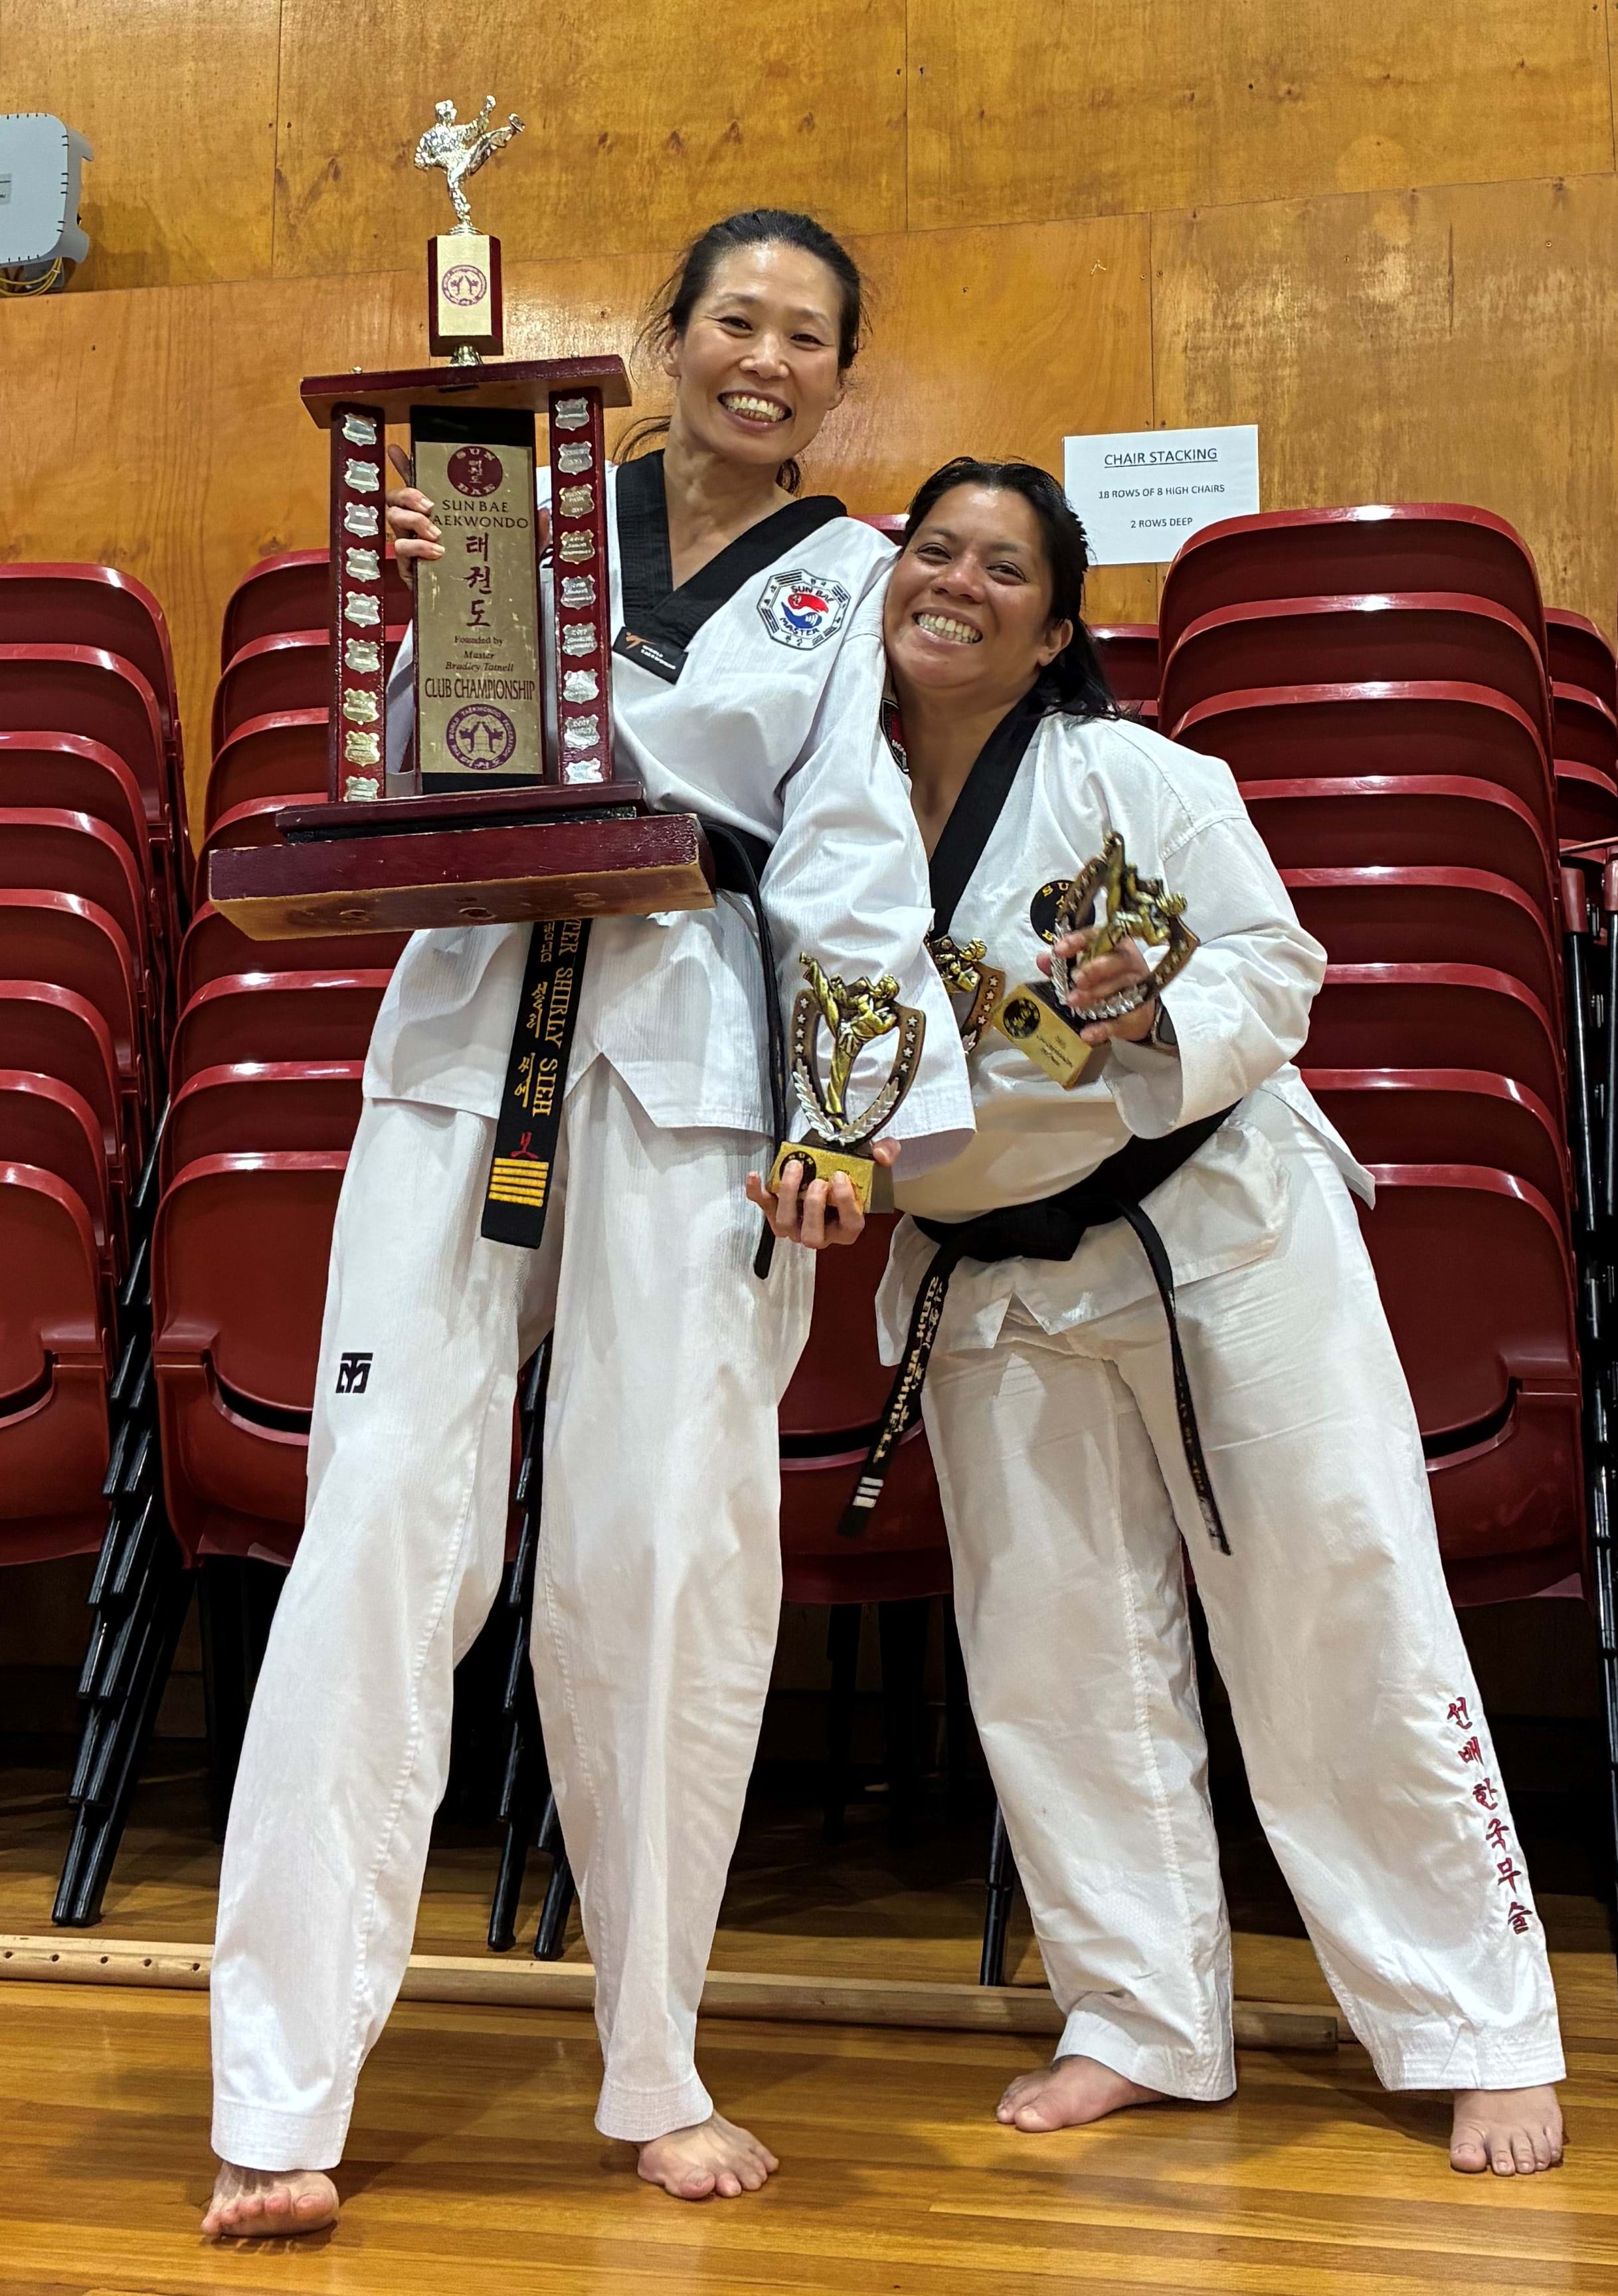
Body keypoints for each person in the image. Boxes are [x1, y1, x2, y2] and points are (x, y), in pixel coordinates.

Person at [202, 213, 974, 2240]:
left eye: (807, 337)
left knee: (663, 1552)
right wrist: (441, 629)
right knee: (377, 1522)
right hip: (470, 1023)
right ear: (668, 337)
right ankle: (278, 2091)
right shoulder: (524, 527)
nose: (767, 361)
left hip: (695, 1060)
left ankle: (656, 2062)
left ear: (837, 378)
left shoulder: (850, 579)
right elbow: (410, 756)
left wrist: (846, 1120)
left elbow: (852, 865)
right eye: (737, 320)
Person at [848, 456, 1564, 2178]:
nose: (957, 583)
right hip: (988, 1274)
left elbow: (1273, 966)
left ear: (1053, 632)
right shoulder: (824, 815)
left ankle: (1472, 2023)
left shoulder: (1138, 779)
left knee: (1334, 1607)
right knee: (1055, 1658)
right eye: (933, 551)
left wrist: (1153, 1014)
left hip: (1218, 1232)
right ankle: (1139, 2019)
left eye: (1004, 567)